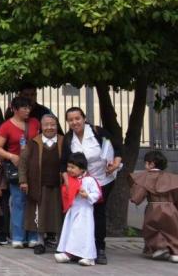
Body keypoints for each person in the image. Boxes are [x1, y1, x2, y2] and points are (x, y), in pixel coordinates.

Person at [61, 106, 122, 265]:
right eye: (71, 120)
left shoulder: (97, 132)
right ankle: (77, 248)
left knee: (98, 212)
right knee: (80, 214)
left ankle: (99, 248)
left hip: (102, 179)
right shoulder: (68, 139)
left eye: (77, 118)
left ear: (84, 118)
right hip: (81, 182)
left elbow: (116, 147)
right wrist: (69, 185)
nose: (75, 122)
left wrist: (116, 164)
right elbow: (63, 164)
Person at [0, 96, 40, 248]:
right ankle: (18, 237)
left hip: (34, 167)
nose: (28, 110)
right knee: (18, 201)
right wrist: (11, 156)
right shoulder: (6, 126)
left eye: (29, 107)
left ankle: (33, 236)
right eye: (24, 108)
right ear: (14, 109)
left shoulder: (34, 123)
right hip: (16, 167)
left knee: (33, 201)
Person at [18, 113, 63, 255]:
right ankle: (40, 242)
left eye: (52, 124)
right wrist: (23, 180)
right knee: (40, 215)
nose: (49, 127)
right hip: (39, 184)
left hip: (59, 185)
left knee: (58, 215)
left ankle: (60, 243)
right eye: (46, 125)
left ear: (57, 126)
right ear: (41, 127)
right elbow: (23, 162)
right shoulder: (33, 142)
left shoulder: (64, 141)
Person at [130, 150, 178, 263]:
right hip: (171, 207)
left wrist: (134, 194)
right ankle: (176, 253)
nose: (145, 166)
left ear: (152, 164)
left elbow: (137, 197)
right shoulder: (172, 178)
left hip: (153, 208)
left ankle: (160, 248)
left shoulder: (145, 178)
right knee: (172, 230)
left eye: (146, 163)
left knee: (152, 229)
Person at [55, 153, 101, 266]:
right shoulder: (69, 180)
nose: (69, 170)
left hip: (84, 211)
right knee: (71, 231)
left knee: (84, 233)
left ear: (82, 169)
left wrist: (87, 195)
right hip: (73, 209)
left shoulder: (89, 180)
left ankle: (88, 256)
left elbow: (97, 194)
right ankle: (70, 252)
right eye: (68, 166)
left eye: (73, 167)